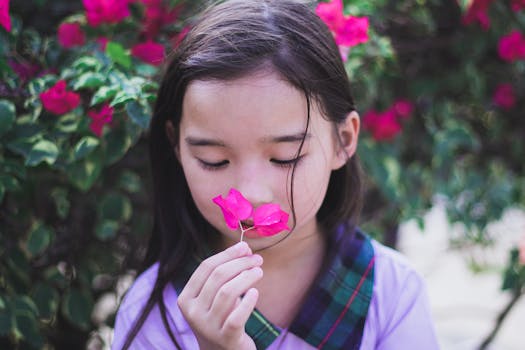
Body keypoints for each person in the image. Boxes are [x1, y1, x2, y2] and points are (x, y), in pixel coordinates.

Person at [112, 0, 440, 349]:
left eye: (285, 157)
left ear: (342, 141)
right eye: (213, 160)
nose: (251, 192)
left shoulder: (391, 295)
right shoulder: (152, 310)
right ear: (177, 147)